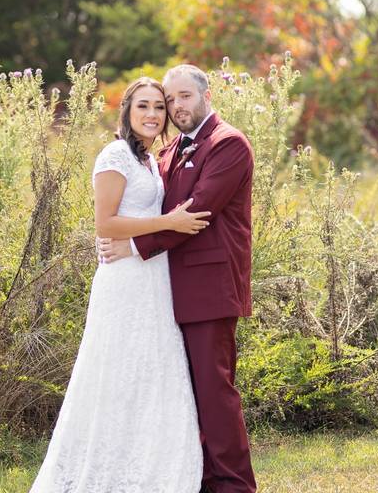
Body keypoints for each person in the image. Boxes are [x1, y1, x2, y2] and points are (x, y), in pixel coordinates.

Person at [30, 76, 209, 492]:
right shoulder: (115, 155)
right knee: (116, 373)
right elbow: (104, 223)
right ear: (126, 111)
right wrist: (169, 222)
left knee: (152, 372)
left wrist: (142, 240)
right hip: (124, 284)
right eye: (143, 106)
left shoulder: (150, 159)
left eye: (159, 107)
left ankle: (153, 469)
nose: (152, 114)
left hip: (154, 281)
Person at [98, 64, 258, 493]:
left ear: (206, 95)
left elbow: (198, 212)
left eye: (183, 96)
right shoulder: (166, 153)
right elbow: (152, 212)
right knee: (182, 396)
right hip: (163, 290)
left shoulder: (228, 144)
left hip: (210, 290)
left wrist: (131, 247)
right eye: (170, 101)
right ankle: (198, 479)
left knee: (214, 392)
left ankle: (234, 486)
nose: (175, 107)